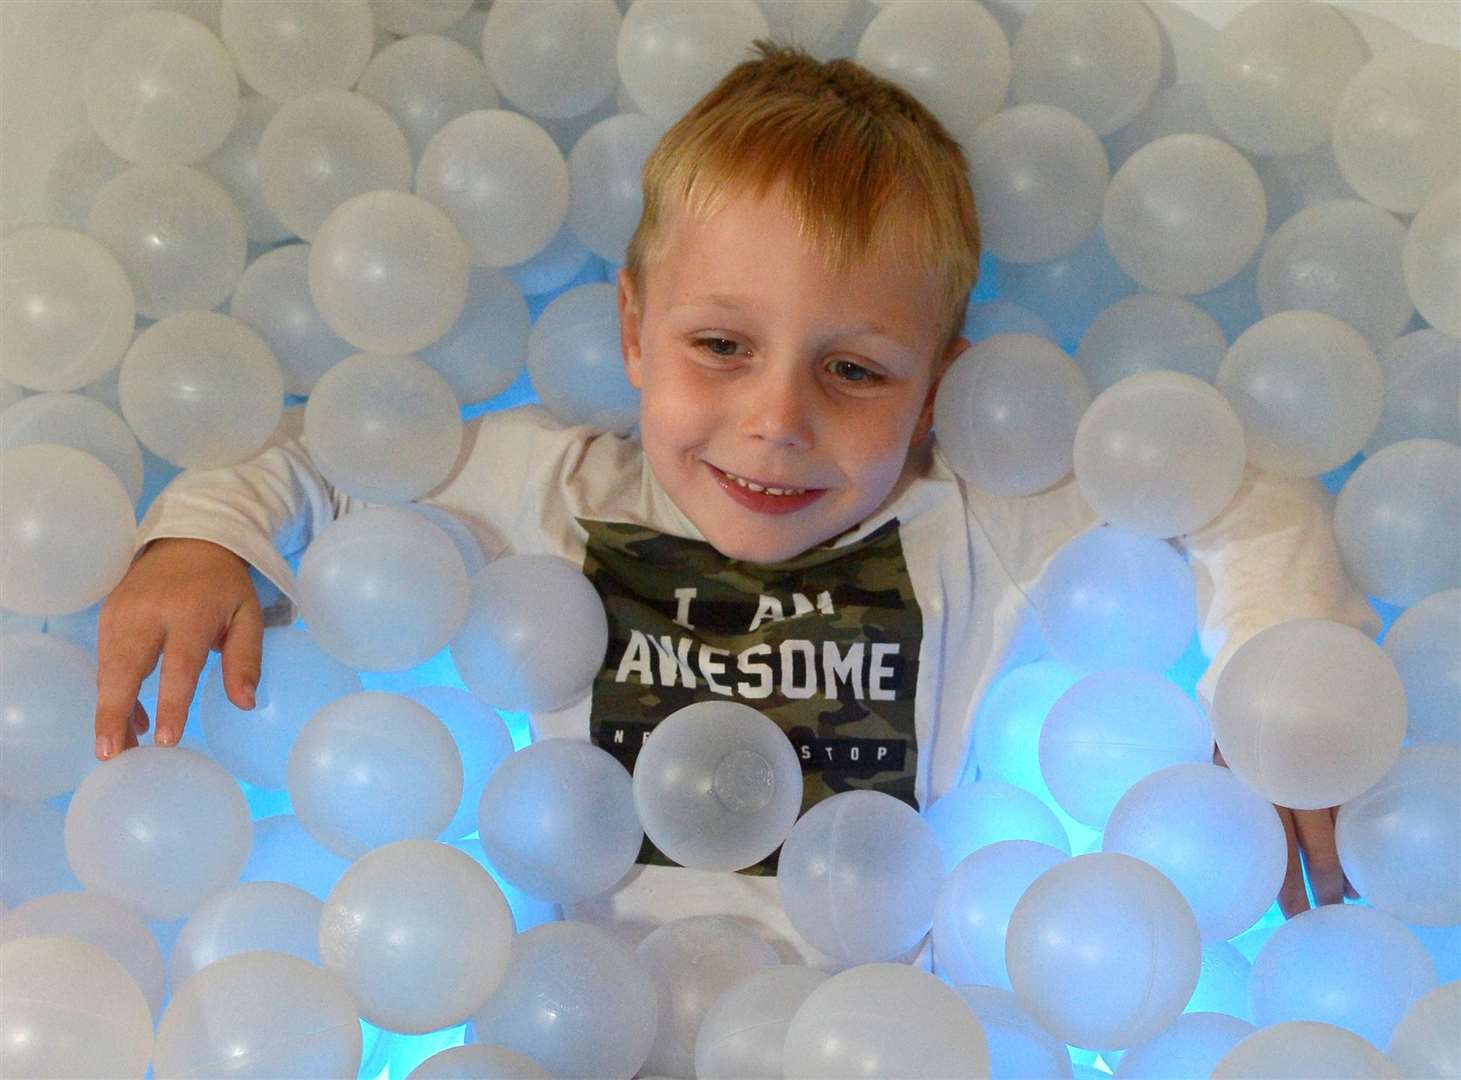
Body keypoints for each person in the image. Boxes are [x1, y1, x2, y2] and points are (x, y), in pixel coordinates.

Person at [94, 40, 1375, 965]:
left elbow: (1238, 493)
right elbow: (328, 452)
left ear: (940, 392)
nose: (778, 419)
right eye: (722, 347)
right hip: (576, 1016)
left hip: (863, 1034)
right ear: (636, 334)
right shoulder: (557, 486)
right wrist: (203, 531)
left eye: (855, 371)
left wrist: (1280, 710)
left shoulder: (978, 519)